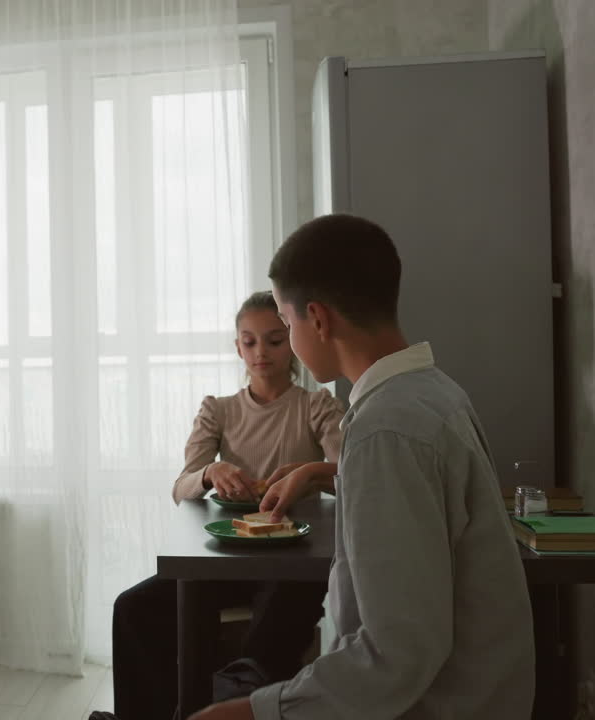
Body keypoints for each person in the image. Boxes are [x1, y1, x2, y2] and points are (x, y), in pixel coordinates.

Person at [190, 214, 535, 720]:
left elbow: (396, 652)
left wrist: (261, 711)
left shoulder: (384, 429)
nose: (282, 342)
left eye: (286, 326)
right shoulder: (434, 394)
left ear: (319, 320)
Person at [93, 291, 345, 720]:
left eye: (274, 340)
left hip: (293, 564)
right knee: (132, 608)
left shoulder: (315, 405)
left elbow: (348, 473)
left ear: (294, 342)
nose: (260, 352)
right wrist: (210, 473)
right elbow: (181, 486)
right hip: (223, 560)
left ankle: (222, 707)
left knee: (269, 631)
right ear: (237, 347)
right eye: (249, 342)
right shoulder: (219, 409)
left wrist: (308, 471)